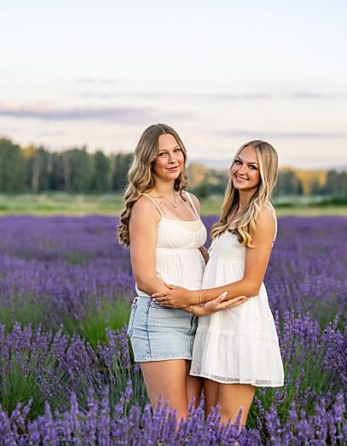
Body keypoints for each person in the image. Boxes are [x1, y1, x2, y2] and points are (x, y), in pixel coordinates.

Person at [118, 123, 248, 422]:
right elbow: (145, 278)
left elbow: (199, 252)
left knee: (190, 426)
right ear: (149, 160)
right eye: (163, 153)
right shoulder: (145, 206)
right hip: (163, 320)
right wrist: (192, 305)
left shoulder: (190, 200)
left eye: (177, 150)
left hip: (198, 317)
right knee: (173, 426)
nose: (173, 159)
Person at [152, 140, 284, 429]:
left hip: (239, 326)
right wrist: (190, 248)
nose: (242, 170)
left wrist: (191, 297)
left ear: (265, 175)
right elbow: (224, 264)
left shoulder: (261, 215)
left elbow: (250, 284)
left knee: (228, 429)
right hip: (216, 324)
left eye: (253, 167)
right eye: (238, 162)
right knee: (213, 427)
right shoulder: (235, 212)